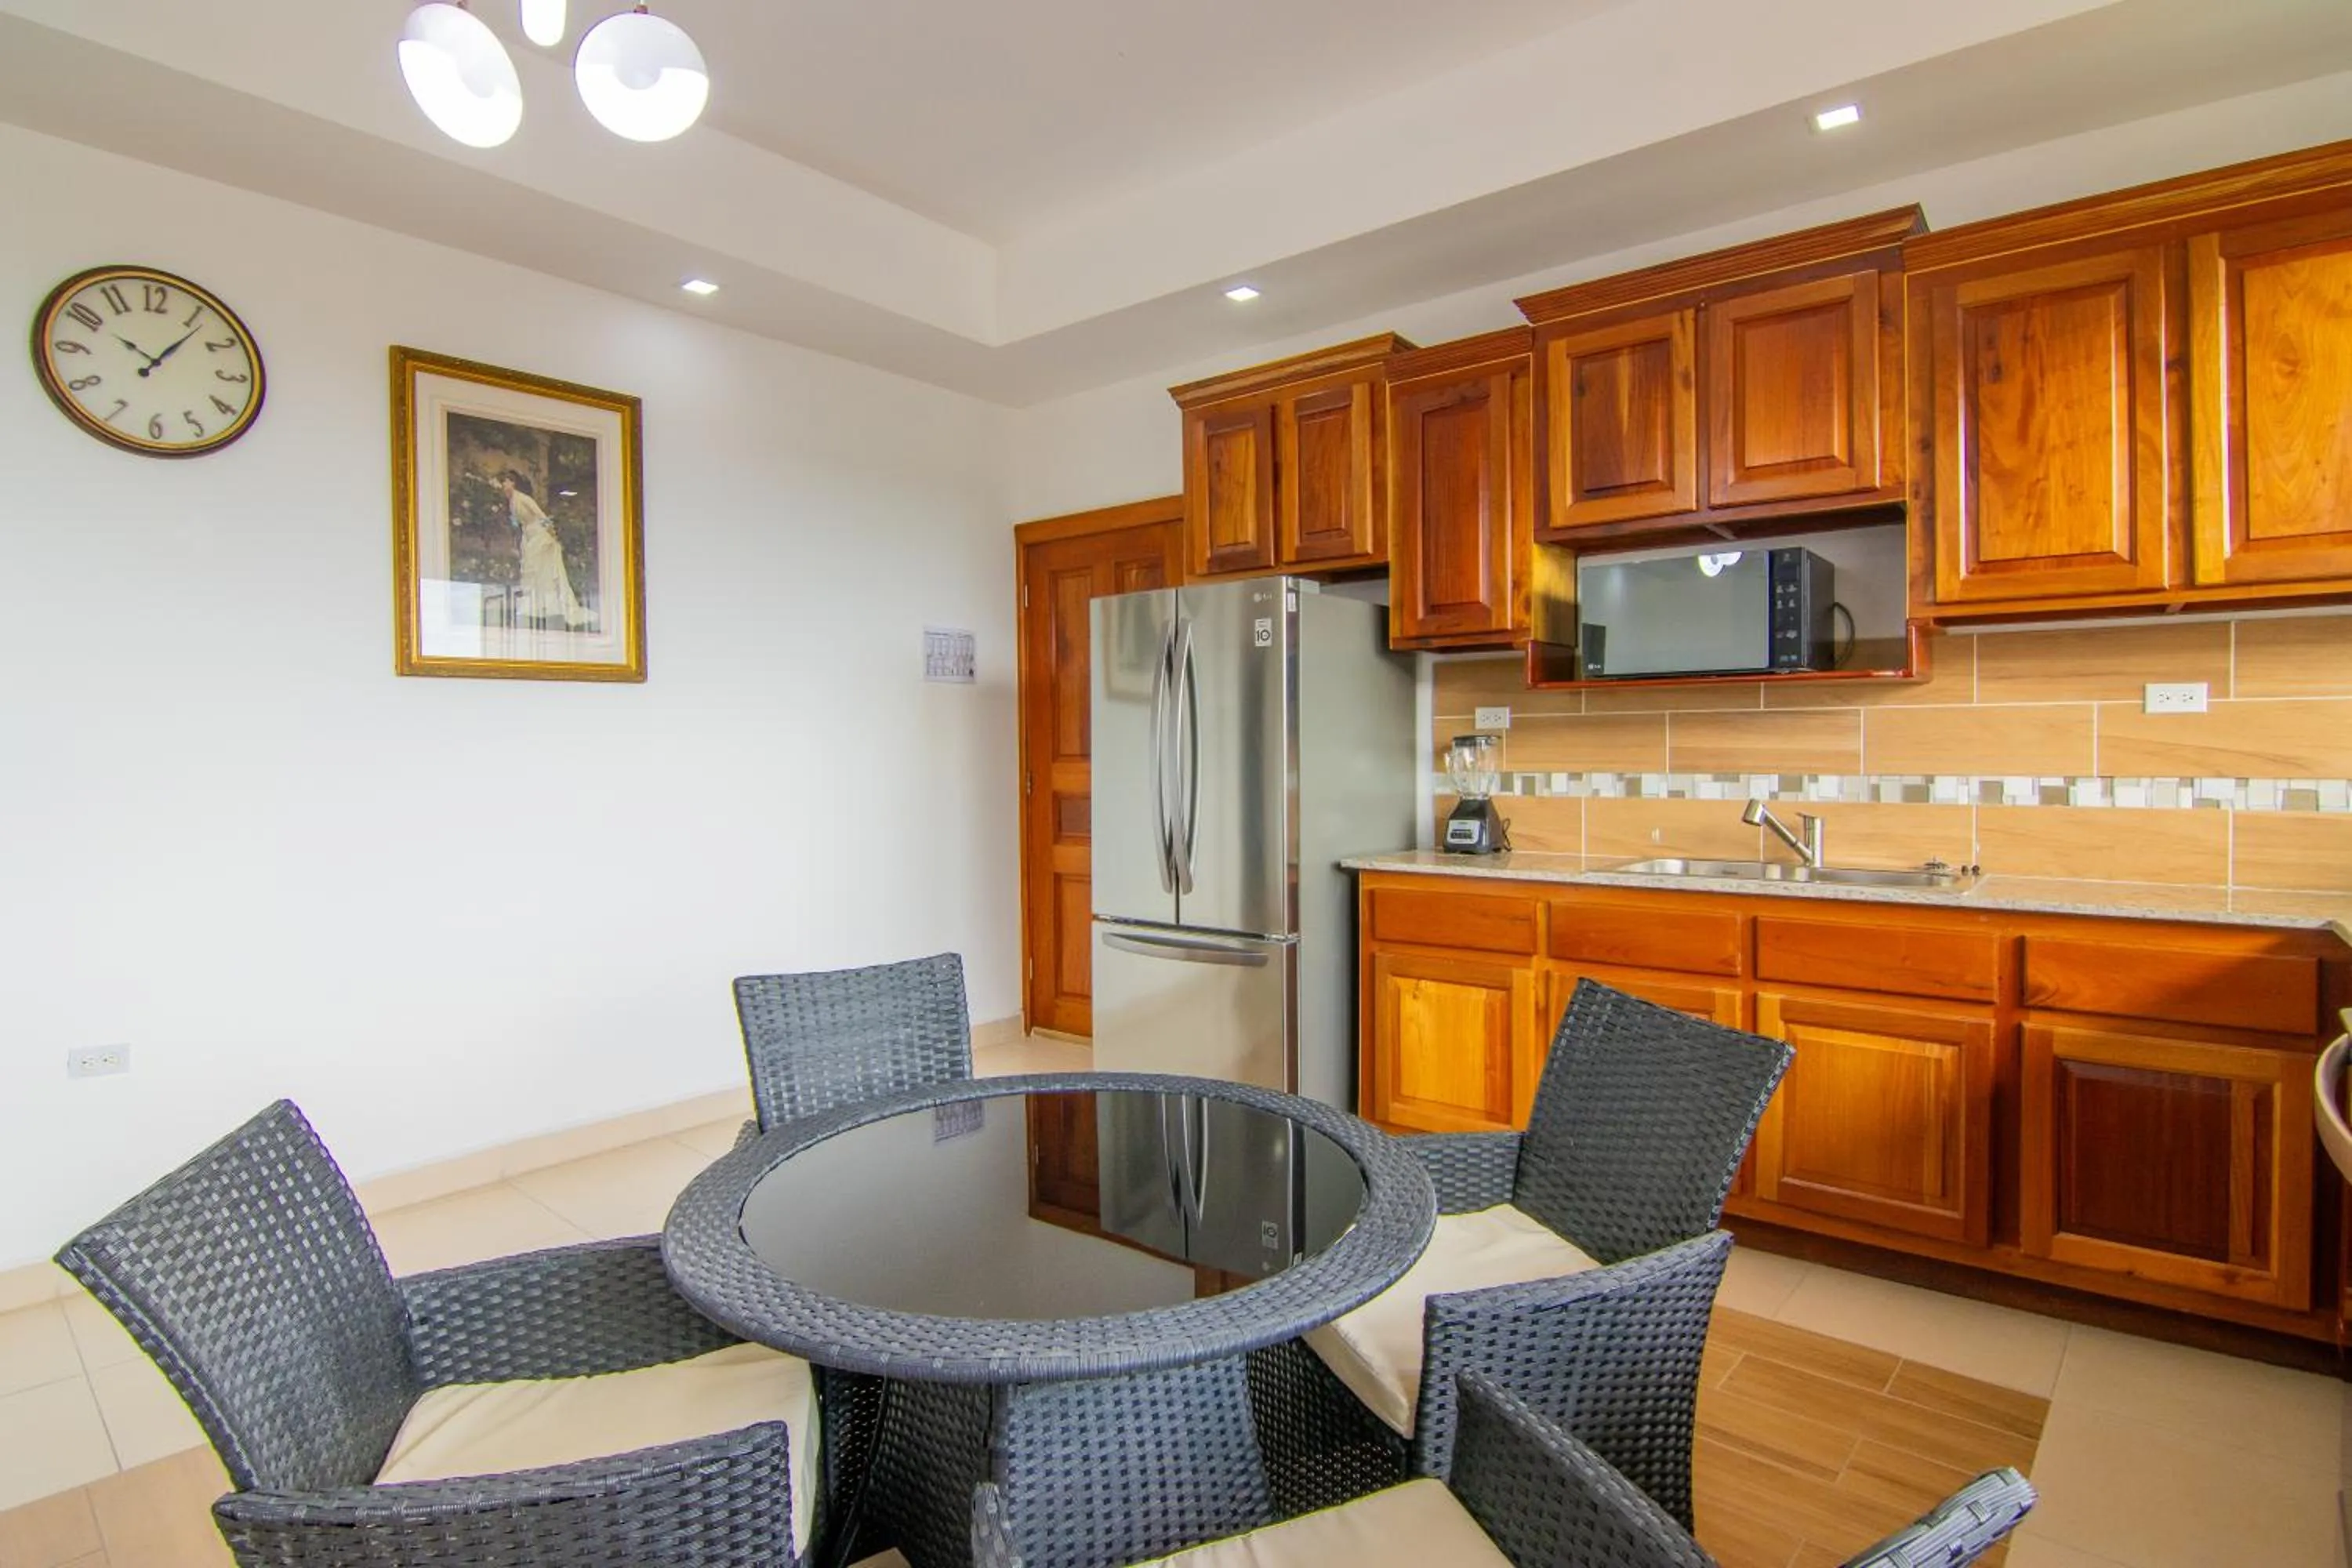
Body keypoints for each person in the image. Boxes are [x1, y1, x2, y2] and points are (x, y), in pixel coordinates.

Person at [500, 471, 591, 631]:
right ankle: (536, 603)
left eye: (506, 482)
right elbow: (516, 521)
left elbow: (539, 514)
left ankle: (547, 603)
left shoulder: (524, 499)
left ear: (513, 483)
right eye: (503, 483)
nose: (503, 485)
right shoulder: (512, 502)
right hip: (528, 535)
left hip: (539, 534)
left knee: (541, 568)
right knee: (532, 568)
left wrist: (551, 532)